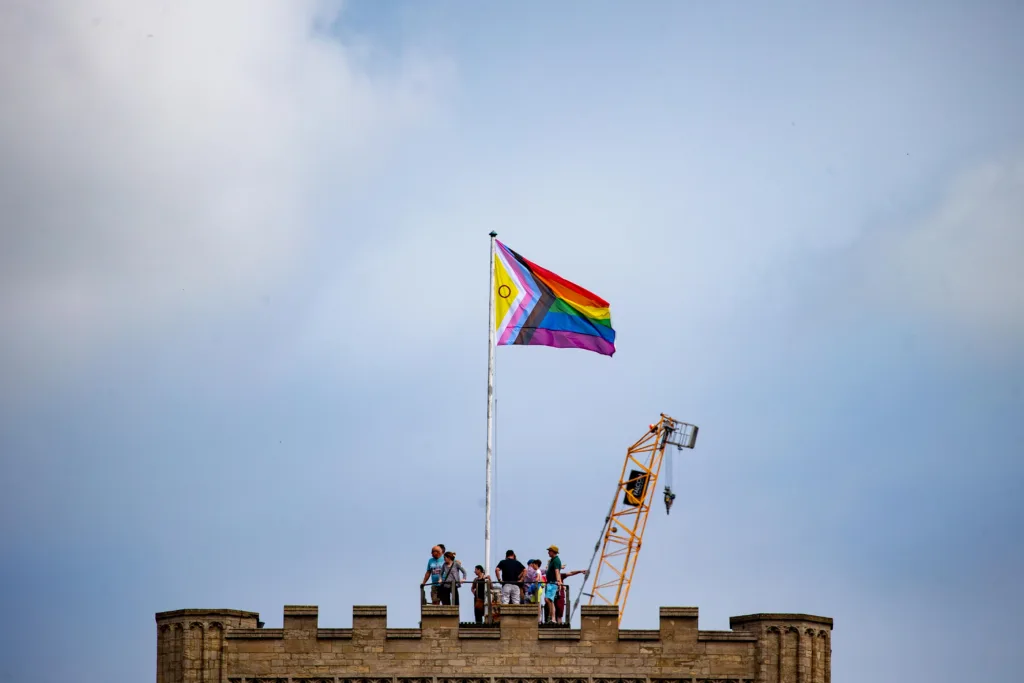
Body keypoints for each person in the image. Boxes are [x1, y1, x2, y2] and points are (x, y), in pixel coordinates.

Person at [543, 545, 562, 623]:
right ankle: (552, 618)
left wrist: (558, 581)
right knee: (550, 600)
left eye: (549, 551)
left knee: (549, 599)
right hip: (550, 583)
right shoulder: (552, 560)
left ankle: (552, 618)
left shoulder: (556, 560)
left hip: (553, 583)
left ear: (553, 552)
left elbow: (557, 571)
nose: (548, 552)